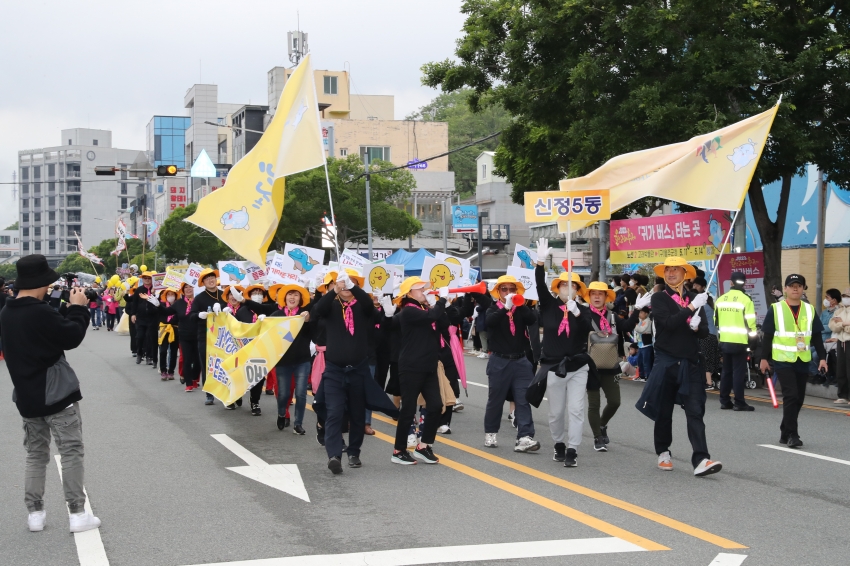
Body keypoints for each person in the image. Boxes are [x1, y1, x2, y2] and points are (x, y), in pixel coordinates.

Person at [0, 254, 101, 533]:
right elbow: (70, 337)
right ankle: (78, 513)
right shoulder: (39, 311)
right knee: (70, 450)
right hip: (56, 393)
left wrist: (66, 307)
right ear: (42, 282)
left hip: (26, 395)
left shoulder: (8, 312)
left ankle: (35, 514)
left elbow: (51, 330)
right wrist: (79, 308)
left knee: (36, 453)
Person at [635, 257, 722, 477]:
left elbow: (704, 331)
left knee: (695, 411)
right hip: (666, 362)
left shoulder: (696, 298)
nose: (671, 273)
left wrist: (696, 327)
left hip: (691, 364)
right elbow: (668, 324)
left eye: (676, 269)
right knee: (664, 412)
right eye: (668, 270)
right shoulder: (659, 298)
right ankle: (663, 452)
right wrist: (691, 309)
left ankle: (701, 459)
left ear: (685, 274)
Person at [311, 269, 398, 474]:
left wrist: (353, 287)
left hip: (358, 369)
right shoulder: (331, 306)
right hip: (334, 370)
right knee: (334, 412)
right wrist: (334, 290)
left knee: (358, 414)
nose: (346, 287)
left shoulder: (363, 307)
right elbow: (317, 309)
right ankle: (334, 455)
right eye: (342, 283)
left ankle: (354, 452)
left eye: (350, 284)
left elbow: (370, 307)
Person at [531, 241, 592, 466]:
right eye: (565, 285)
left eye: (573, 286)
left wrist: (577, 312)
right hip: (554, 366)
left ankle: (573, 450)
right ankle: (558, 444)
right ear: (558, 288)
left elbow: (588, 328)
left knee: (576, 410)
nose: (569, 288)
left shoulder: (583, 311)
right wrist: (540, 262)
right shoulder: (548, 305)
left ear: (578, 290)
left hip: (578, 366)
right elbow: (538, 284)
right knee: (556, 413)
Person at [759, 274, 828, 448]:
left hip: (802, 359)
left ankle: (784, 430)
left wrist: (822, 358)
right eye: (792, 285)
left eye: (799, 285)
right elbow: (767, 336)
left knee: (799, 399)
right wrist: (763, 359)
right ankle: (792, 434)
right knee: (791, 395)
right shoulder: (776, 309)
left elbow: (817, 337)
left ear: (803, 288)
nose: (795, 288)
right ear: (786, 289)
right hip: (782, 360)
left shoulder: (809, 309)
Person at [392, 276, 450, 465]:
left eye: (426, 288)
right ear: (409, 293)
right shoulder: (408, 310)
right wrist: (441, 301)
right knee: (408, 409)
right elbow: (431, 318)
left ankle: (423, 446)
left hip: (429, 365)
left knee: (435, 405)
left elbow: (442, 325)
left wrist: (437, 306)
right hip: (411, 366)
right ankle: (398, 450)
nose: (425, 291)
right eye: (421, 288)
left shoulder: (425, 309)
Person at [243, 283, 313, 431]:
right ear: (284, 297)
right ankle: (282, 414)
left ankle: (298, 424)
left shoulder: (306, 314)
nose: (292, 297)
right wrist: (263, 322)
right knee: (283, 393)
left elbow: (315, 330)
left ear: (300, 298)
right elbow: (266, 334)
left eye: (296, 295)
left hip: (302, 360)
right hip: (283, 361)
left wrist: (308, 320)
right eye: (289, 294)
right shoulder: (277, 315)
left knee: (301, 394)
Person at [483, 274, 540, 453]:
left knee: (523, 399)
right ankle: (491, 432)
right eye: (504, 289)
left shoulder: (521, 309)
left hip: (521, 361)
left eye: (512, 289)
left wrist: (519, 305)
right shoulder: (492, 309)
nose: (508, 292)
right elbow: (489, 323)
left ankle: (525, 436)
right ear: (498, 292)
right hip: (499, 360)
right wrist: (504, 309)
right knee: (496, 399)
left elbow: (533, 319)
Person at [714, 272, 758, 409]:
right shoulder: (746, 299)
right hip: (740, 341)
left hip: (725, 340)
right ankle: (739, 402)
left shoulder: (721, 299)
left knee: (726, 371)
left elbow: (716, 321)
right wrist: (754, 340)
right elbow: (751, 323)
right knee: (738, 372)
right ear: (744, 283)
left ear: (731, 282)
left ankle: (724, 401)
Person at [190, 269, 228, 406]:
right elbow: (192, 315)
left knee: (225, 364)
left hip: (224, 336)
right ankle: (209, 394)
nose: (211, 280)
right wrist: (200, 315)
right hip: (205, 336)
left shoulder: (224, 294)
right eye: (207, 279)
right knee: (208, 365)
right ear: (203, 282)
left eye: (212, 277)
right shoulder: (199, 298)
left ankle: (226, 392)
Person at [127, 272, 160, 367]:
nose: (147, 279)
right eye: (145, 278)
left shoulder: (156, 290)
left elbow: (159, 303)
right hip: (141, 317)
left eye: (149, 278)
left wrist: (154, 293)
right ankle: (139, 353)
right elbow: (135, 303)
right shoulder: (139, 290)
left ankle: (150, 357)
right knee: (140, 336)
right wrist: (133, 314)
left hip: (152, 317)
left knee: (150, 338)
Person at [148, 288, 180, 381]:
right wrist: (153, 297)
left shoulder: (178, 305)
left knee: (173, 352)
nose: (170, 296)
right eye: (168, 294)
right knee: (163, 351)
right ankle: (163, 371)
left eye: (172, 294)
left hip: (174, 329)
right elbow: (152, 311)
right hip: (163, 329)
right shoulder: (161, 305)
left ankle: (171, 371)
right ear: (165, 296)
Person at [829, 289, 850, 404]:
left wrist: (842, 325)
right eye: (844, 296)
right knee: (841, 369)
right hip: (841, 341)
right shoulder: (839, 311)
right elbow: (833, 326)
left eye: (848, 296)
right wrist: (844, 324)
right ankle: (842, 395)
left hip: (849, 341)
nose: (846, 298)